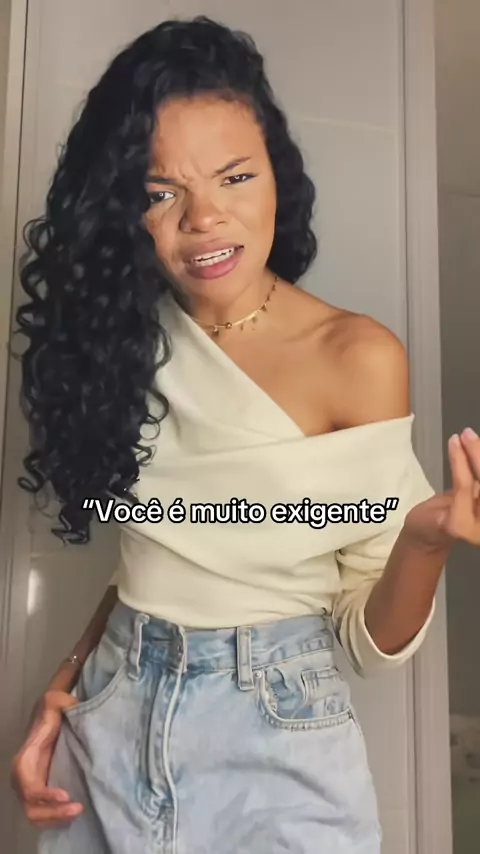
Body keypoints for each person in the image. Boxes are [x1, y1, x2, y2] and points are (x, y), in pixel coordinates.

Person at [9, 15, 480, 854]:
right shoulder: (123, 342)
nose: (204, 218)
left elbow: (368, 644)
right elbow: (153, 560)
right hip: (110, 715)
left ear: (276, 176)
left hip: (275, 731)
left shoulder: (357, 358)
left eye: (235, 176)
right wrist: (66, 683)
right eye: (162, 192)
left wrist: (424, 540)